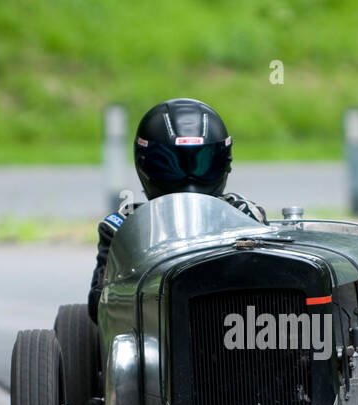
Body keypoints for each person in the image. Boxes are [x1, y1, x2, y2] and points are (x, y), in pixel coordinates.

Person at [88, 98, 266, 320]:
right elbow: (99, 305)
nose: (189, 177)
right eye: (171, 165)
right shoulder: (122, 225)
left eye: (201, 163)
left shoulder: (244, 213)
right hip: (154, 332)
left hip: (234, 329)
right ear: (146, 164)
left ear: (223, 161)